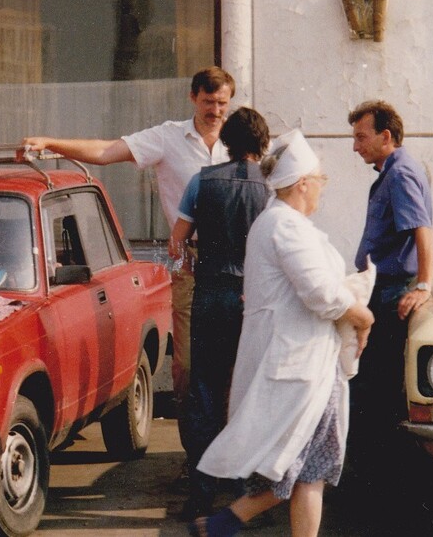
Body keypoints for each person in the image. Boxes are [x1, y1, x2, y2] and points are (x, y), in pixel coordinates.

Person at [24, 66, 233, 464]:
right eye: (209, 103)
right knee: (187, 369)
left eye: (223, 103)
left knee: (233, 366)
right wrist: (52, 142)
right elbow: (106, 152)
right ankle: (197, 460)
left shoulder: (237, 140)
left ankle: (228, 457)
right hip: (191, 267)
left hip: (237, 269)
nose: (216, 111)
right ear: (194, 98)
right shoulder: (169, 137)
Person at [191, 129, 375, 537]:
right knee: (296, 464)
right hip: (299, 368)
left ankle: (224, 523)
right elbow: (322, 295)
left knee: (310, 469)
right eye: (321, 182)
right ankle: (224, 522)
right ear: (304, 183)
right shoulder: (284, 226)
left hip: (312, 365)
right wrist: (364, 317)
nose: (322, 190)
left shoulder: (282, 223)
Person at [167, 107, 270, 519]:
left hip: (211, 295)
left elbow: (176, 245)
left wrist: (190, 268)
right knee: (250, 394)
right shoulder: (273, 187)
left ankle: (201, 491)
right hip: (255, 300)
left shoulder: (201, 181)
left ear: (226, 142)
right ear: (261, 144)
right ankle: (246, 492)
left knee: (205, 392)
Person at [346, 101, 433, 483]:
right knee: (372, 383)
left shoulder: (400, 175)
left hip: (391, 292)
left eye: (361, 137)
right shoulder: (391, 174)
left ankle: (377, 478)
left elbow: (422, 231)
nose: (355, 146)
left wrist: (424, 286)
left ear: (386, 136)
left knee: (375, 386)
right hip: (380, 289)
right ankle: (376, 473)